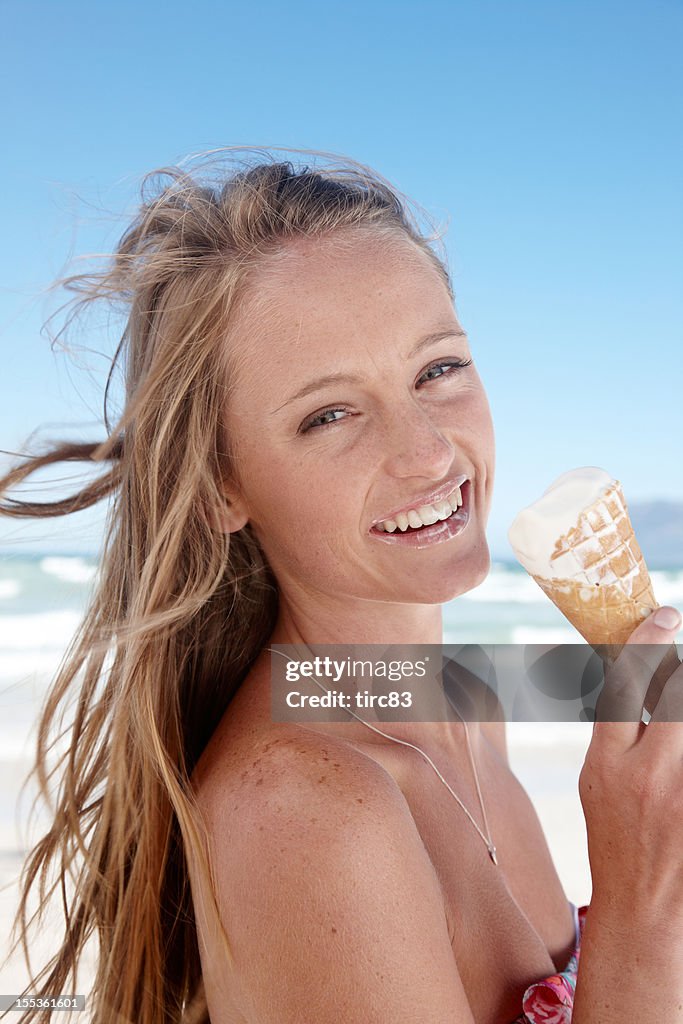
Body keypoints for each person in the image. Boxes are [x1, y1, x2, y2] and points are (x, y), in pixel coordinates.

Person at [1, 147, 681, 1024]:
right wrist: (644, 899)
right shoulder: (308, 811)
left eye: (437, 369)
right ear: (218, 486)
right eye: (330, 414)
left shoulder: (460, 700)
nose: (430, 452)